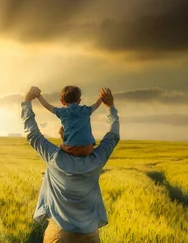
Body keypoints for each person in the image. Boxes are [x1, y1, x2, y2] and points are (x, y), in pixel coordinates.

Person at [21, 86, 120, 243]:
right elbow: (113, 135)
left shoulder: (54, 158)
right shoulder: (97, 159)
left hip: (59, 235)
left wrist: (27, 101)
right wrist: (110, 107)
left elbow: (33, 134)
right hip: (89, 236)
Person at [37, 86, 103, 156]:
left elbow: (47, 106)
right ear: (79, 101)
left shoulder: (63, 112)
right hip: (88, 148)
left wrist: (38, 95)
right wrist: (101, 96)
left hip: (72, 149)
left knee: (60, 148)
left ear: (62, 102)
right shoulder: (86, 110)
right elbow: (97, 104)